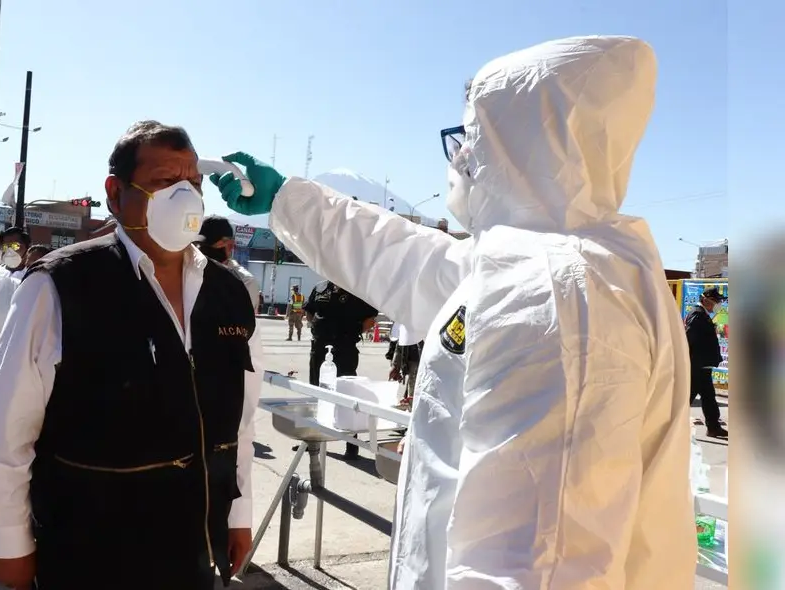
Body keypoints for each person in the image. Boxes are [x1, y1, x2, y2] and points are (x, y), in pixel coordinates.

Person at [208, 36, 695, 589]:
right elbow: (404, 259)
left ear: (519, 145)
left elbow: (536, 566)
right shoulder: (535, 267)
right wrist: (287, 199)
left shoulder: (555, 299)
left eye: (472, 137)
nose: (459, 156)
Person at [0, 120, 262, 590]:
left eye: (193, 184)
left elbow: (241, 422)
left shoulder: (229, 293)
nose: (185, 197)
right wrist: (9, 544)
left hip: (195, 551)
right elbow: (2, 430)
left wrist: (239, 513)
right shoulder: (59, 284)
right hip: (90, 553)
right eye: (166, 182)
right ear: (116, 192)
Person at [304, 281, 378, 460]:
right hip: (320, 348)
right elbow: (309, 311)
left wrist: (353, 332)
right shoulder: (320, 288)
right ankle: (312, 441)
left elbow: (370, 318)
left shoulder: (357, 289)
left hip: (345, 350)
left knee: (347, 396)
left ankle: (351, 446)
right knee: (315, 393)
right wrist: (316, 326)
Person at [685, 287, 729, 438]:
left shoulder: (703, 314)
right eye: (716, 301)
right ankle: (670, 425)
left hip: (702, 365)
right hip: (697, 365)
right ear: (705, 300)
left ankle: (713, 426)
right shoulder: (697, 315)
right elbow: (689, 338)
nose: (718, 305)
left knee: (708, 396)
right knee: (687, 397)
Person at [196, 215, 261, 311]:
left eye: (209, 245)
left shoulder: (244, 282)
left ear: (230, 245)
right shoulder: (191, 271)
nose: (200, 250)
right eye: (199, 246)